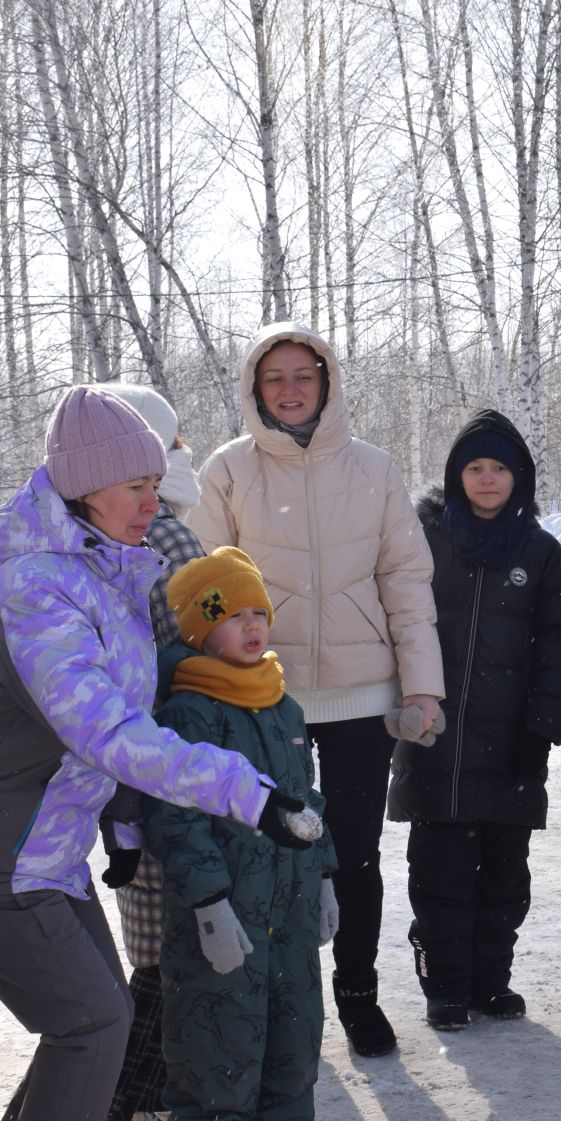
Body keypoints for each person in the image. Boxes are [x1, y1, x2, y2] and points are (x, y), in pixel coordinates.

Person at [0, 387, 304, 1121]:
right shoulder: (38, 592)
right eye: (134, 486)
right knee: (92, 1024)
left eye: (156, 484)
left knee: (85, 1025)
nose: (151, 504)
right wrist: (245, 790)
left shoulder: (108, 578)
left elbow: (122, 726)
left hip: (42, 852)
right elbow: (103, 728)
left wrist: (122, 834)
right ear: (83, 487)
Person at [193, 323, 445, 1057]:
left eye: (304, 374)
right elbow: (201, 587)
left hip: (362, 693)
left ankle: (358, 993)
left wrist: (421, 685)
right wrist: (210, 685)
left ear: (327, 382)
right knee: (266, 848)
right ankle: (278, 998)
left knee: (357, 852)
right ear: (255, 389)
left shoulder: (372, 468)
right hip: (260, 695)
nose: (292, 389)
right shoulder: (229, 471)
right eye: (276, 378)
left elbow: (406, 580)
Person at [142, 547, 342, 1121]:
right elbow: (175, 815)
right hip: (226, 907)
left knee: (294, 1022)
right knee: (218, 1031)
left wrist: (324, 875)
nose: (254, 627)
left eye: (261, 612)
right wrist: (206, 901)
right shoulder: (189, 713)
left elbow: (304, 798)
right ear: (200, 629)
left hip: (286, 898)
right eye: (235, 616)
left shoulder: (281, 702)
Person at [386, 410, 561, 1030]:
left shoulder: (541, 554)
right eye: (474, 467)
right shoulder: (422, 544)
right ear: (456, 476)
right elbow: (391, 622)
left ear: (518, 477)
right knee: (441, 871)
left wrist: (542, 730)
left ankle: (490, 981)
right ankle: (445, 985)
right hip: (434, 740)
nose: (487, 478)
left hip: (512, 745)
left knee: (504, 873)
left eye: (499, 467)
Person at [93, 383, 206, 1121]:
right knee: (170, 944)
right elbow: (204, 647)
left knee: (157, 934)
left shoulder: (133, 531)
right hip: (169, 762)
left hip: (130, 759)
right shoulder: (165, 538)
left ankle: (136, 1091)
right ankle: (130, 1098)